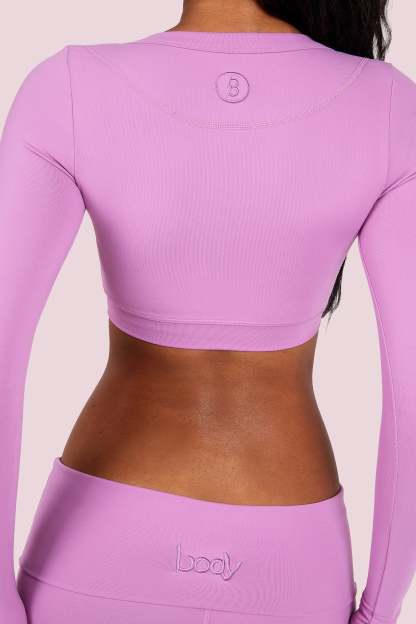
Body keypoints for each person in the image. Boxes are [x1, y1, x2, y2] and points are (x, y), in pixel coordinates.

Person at [0, 0, 415, 622]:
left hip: (93, 550)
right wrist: (379, 611)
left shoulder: (67, 89)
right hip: (289, 566)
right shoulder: (389, 107)